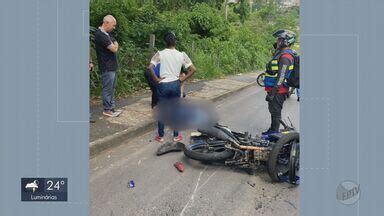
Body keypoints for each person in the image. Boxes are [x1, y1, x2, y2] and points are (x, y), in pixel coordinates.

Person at [147, 32, 196, 142]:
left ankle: (160, 136)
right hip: (175, 84)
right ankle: (176, 136)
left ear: (166, 42)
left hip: (163, 85)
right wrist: (183, 78)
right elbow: (193, 69)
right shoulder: (181, 54)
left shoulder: (160, 54)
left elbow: (149, 68)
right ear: (175, 41)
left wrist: (156, 79)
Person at [263, 29, 296, 135]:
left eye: (279, 40)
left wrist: (273, 93)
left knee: (276, 112)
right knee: (273, 111)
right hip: (274, 89)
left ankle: (274, 134)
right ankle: (272, 129)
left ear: (286, 41)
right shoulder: (281, 53)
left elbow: (281, 76)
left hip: (278, 91)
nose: (277, 42)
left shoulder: (286, 56)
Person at [94, 15, 121, 117]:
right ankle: (107, 109)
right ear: (106, 23)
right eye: (113, 25)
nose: (114, 27)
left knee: (112, 88)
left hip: (112, 66)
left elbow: (115, 43)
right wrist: (114, 46)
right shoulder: (100, 35)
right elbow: (114, 49)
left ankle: (112, 108)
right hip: (106, 66)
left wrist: (115, 45)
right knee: (107, 89)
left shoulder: (107, 34)